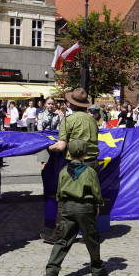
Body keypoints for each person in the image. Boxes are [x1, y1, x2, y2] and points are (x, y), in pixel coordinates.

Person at [40, 88, 101, 244]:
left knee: (65, 199)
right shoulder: (92, 120)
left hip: (75, 165)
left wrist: (47, 147)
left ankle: (59, 235)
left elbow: (60, 146)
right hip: (93, 162)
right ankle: (91, 236)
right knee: (89, 200)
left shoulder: (68, 120)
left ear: (71, 104)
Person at [45, 137, 106, 276]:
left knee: (63, 240)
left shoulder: (63, 171)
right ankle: (97, 270)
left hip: (67, 207)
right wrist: (98, 205)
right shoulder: (90, 172)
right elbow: (96, 191)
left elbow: (59, 192)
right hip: (85, 208)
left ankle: (52, 271)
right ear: (86, 154)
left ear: (69, 155)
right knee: (91, 239)